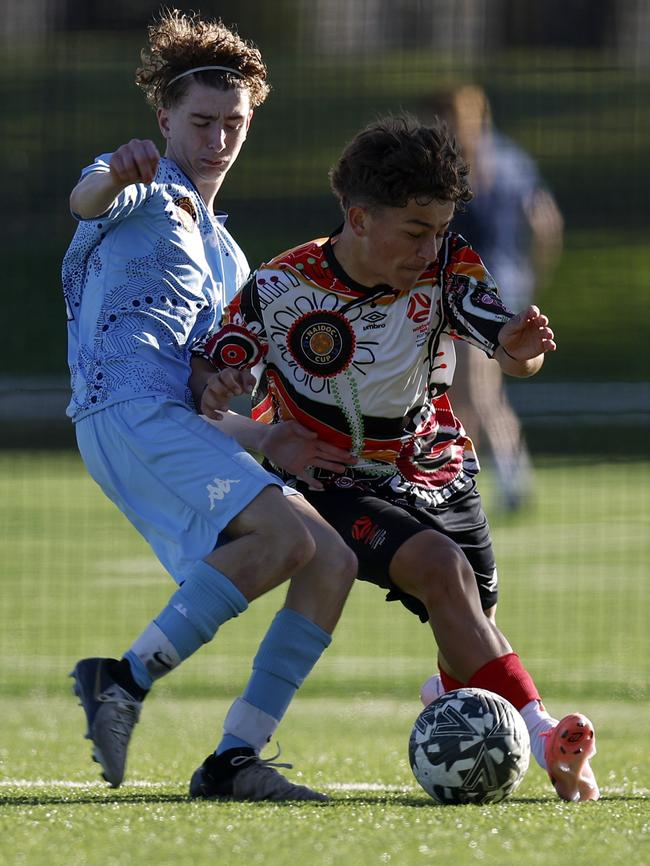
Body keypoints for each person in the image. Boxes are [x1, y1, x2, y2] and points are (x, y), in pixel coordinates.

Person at [198, 114, 598, 802]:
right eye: (416, 231)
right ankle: (542, 737)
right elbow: (207, 386)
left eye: (441, 230)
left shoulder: (447, 268)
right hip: (330, 479)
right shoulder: (281, 287)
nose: (431, 247)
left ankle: (450, 691)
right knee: (441, 571)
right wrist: (228, 385)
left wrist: (521, 347)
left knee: (471, 611)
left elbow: (502, 342)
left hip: (434, 467)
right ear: (358, 218)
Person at [62, 8, 358, 802]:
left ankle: (235, 757)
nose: (217, 139)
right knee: (285, 537)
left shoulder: (230, 259)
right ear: (165, 119)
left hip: (165, 420)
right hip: (121, 411)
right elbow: (85, 200)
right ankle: (120, 679)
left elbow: (205, 395)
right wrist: (115, 172)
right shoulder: (144, 186)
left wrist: (262, 430)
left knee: (331, 558)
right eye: (200, 121)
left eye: (233, 123)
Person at [426, 85, 564, 511]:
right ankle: (470, 475)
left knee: (477, 389)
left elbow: (543, 221)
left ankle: (508, 479)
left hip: (474, 290)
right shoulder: (509, 157)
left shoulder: (452, 165)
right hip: (499, 285)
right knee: (471, 390)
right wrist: (535, 276)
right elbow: (545, 222)